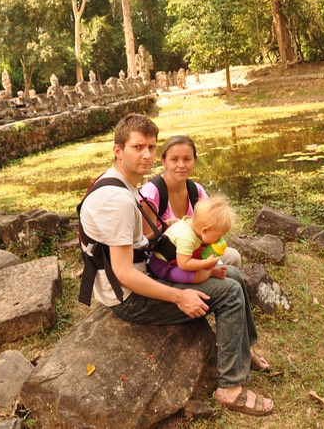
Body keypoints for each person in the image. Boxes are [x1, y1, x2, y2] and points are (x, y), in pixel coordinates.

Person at [78, 113, 273, 416]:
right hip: (130, 298)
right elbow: (124, 273)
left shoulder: (123, 183)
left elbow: (138, 241)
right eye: (137, 147)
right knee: (231, 292)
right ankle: (230, 387)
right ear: (118, 150)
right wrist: (179, 296)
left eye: (151, 147)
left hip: (146, 271)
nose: (146, 154)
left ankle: (241, 352)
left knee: (232, 272)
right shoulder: (114, 199)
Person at [139, 135, 242, 267]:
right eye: (174, 159)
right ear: (164, 161)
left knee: (233, 257)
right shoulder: (152, 194)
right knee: (224, 273)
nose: (181, 165)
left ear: (194, 161)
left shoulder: (196, 190)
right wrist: (164, 227)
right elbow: (144, 242)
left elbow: (211, 229)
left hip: (194, 251)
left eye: (187, 159)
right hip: (165, 260)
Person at [149, 195, 234, 284]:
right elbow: (184, 264)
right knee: (197, 276)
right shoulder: (186, 238)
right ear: (205, 231)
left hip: (178, 258)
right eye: (218, 236)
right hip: (163, 267)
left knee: (199, 263)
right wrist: (207, 263)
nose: (220, 239)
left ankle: (209, 271)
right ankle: (210, 273)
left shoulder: (193, 224)